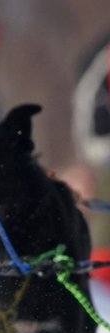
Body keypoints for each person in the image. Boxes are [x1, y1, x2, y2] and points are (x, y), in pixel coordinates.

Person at [72, 34, 110, 288]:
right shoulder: (103, 54)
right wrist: (89, 155)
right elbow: (86, 99)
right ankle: (99, 291)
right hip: (104, 156)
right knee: (104, 229)